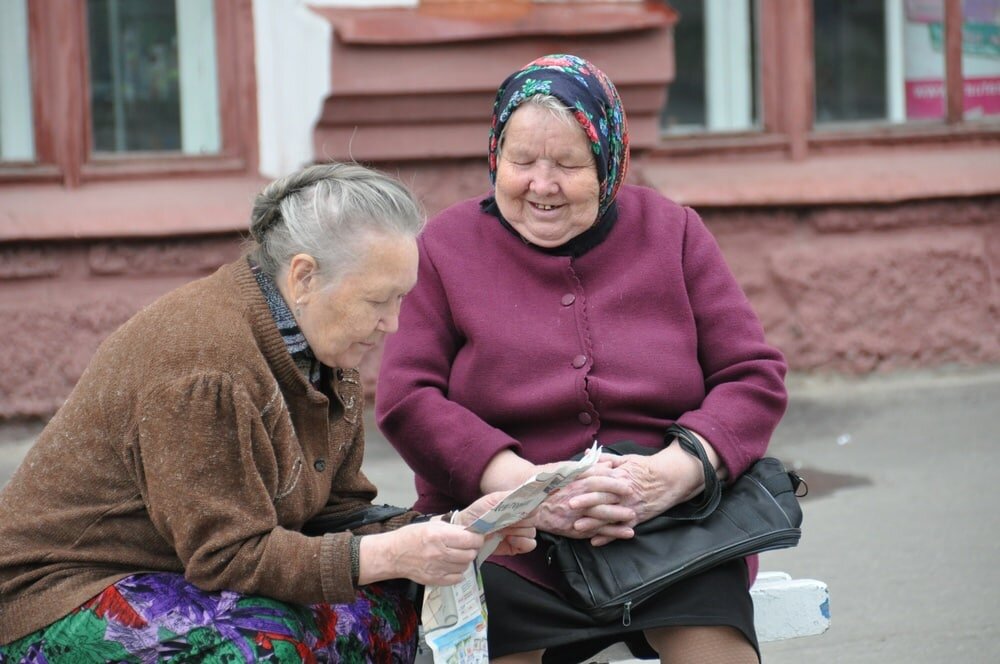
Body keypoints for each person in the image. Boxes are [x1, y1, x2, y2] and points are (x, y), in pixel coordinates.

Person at [0, 162, 535, 662]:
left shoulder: (322, 345)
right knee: (263, 643)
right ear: (304, 277)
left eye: (401, 300)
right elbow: (228, 556)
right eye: (377, 301)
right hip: (60, 593)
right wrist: (392, 554)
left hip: (176, 567)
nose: (392, 324)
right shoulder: (206, 366)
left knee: (394, 598)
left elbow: (336, 513)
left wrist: (448, 530)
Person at [375, 54, 788, 663]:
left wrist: (670, 478)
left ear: (608, 164)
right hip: (508, 536)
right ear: (495, 156)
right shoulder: (444, 249)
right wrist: (529, 492)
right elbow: (408, 398)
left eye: (568, 164)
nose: (542, 185)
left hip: (668, 527)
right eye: (521, 162)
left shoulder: (672, 232)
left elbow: (751, 376)